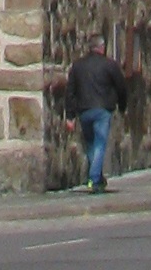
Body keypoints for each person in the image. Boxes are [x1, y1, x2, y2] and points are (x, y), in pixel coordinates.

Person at [64, 35, 124, 192]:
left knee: (91, 144)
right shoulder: (110, 65)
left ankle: (97, 177)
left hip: (84, 110)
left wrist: (70, 116)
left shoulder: (77, 66)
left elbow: (70, 91)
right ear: (102, 47)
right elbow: (121, 87)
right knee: (100, 143)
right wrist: (122, 106)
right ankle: (94, 178)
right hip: (103, 110)